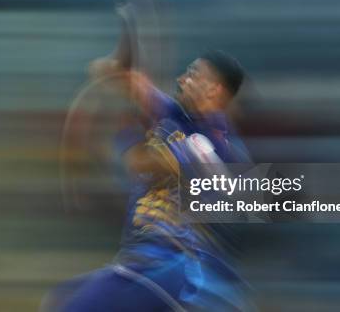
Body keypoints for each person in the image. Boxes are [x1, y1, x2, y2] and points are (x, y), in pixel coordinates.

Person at [44, 50, 254, 311]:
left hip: (173, 266)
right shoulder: (178, 115)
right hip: (150, 263)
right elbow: (132, 84)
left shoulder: (212, 145)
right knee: (65, 299)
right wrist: (116, 70)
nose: (181, 79)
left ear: (213, 90)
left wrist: (128, 132)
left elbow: (142, 164)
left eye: (192, 75)